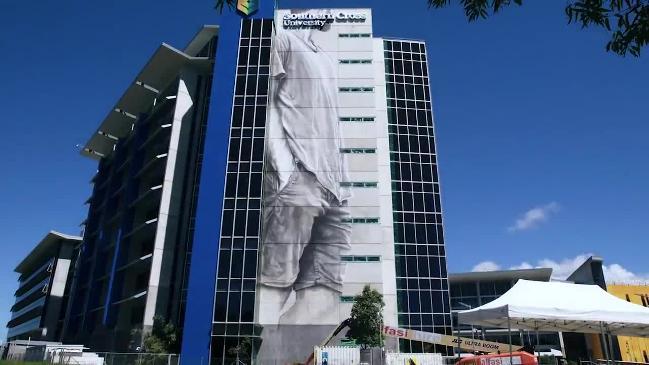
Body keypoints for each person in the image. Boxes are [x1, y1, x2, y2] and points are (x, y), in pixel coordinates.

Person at [257, 14, 352, 327]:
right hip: (299, 177)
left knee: (322, 292)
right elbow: (264, 102)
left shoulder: (325, 58)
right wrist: (283, 166)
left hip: (335, 190)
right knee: (274, 283)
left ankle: (282, 356)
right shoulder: (282, 38)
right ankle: (245, 353)